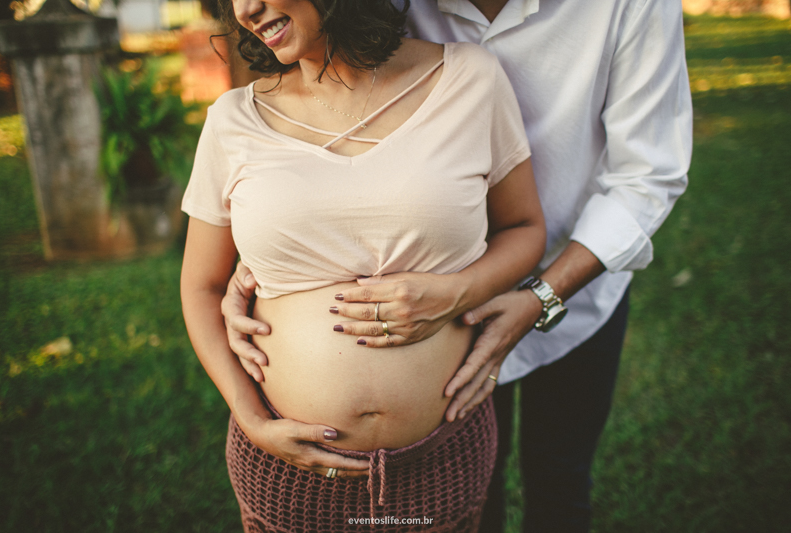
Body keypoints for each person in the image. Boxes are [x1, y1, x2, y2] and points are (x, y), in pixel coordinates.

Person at [223, 0, 694, 531]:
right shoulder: (384, 7)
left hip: (574, 286)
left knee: (559, 484)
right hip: (438, 325)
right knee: (473, 496)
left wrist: (540, 295)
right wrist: (264, 263)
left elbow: (647, 177)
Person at [180, 0, 547, 531]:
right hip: (289, 469)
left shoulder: (470, 78)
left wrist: (459, 291)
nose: (246, 9)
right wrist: (251, 416)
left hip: (444, 457)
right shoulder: (233, 119)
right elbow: (201, 285)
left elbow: (524, 228)